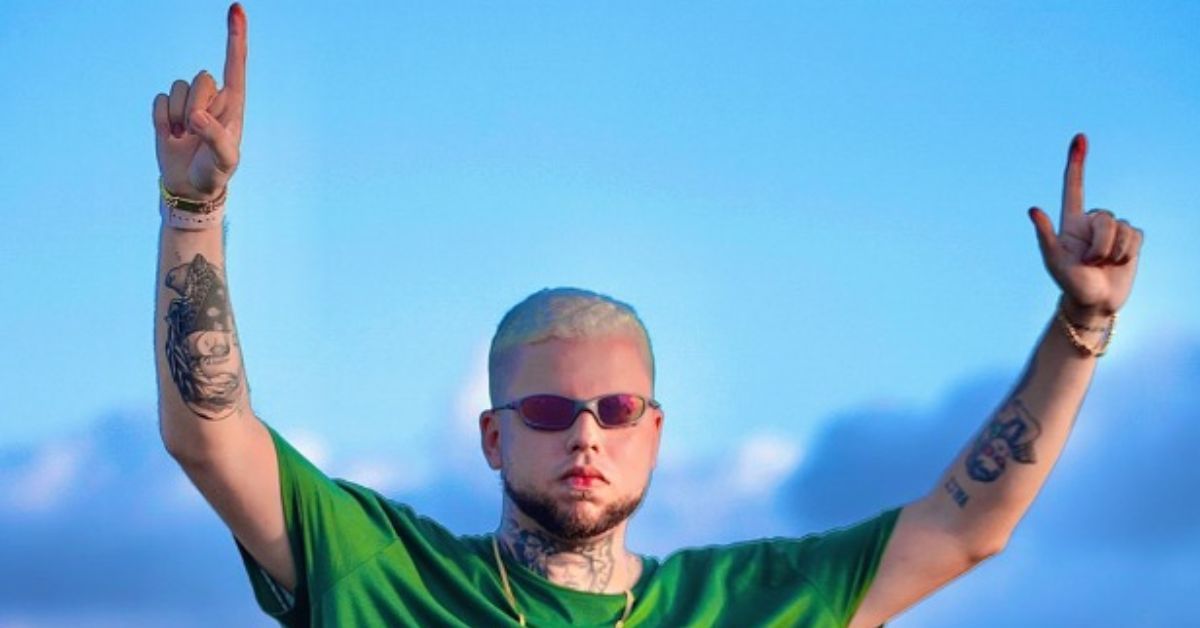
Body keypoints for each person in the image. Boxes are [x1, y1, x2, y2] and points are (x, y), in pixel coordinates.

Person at [152, 5, 1144, 627]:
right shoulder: (381, 571)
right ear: (494, 437)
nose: (585, 434)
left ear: (655, 432)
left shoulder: (753, 601)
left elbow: (966, 529)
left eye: (617, 409)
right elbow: (209, 435)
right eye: (549, 412)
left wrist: (1080, 328)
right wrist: (195, 211)